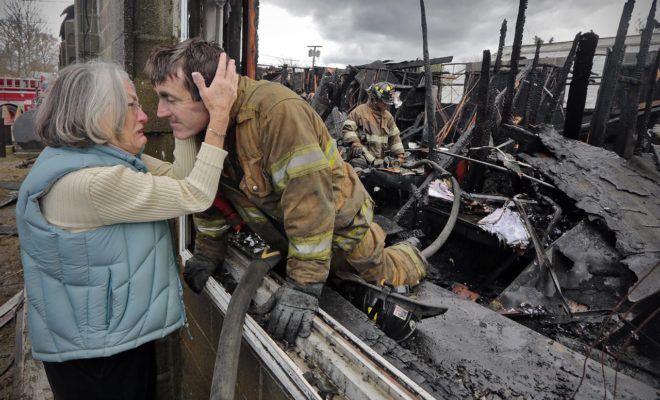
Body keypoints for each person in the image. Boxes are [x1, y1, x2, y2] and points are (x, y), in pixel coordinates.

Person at [145, 38, 428, 345]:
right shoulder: (204, 129)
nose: (160, 112)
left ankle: (412, 254)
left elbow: (310, 203)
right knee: (334, 278)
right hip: (291, 235)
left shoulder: (276, 113)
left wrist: (304, 285)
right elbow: (212, 195)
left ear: (211, 93)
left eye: (170, 98)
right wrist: (209, 252)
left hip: (341, 230)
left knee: (381, 273)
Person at [15, 56, 238, 399]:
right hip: (98, 360)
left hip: (104, 338)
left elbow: (180, 178)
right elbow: (194, 194)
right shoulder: (93, 182)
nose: (147, 115)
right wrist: (219, 117)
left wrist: (183, 125)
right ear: (97, 113)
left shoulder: (92, 155)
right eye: (132, 105)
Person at [342, 81, 406, 169]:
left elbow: (395, 137)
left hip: (380, 160)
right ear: (374, 99)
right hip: (363, 157)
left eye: (388, 102)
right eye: (384, 102)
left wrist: (400, 156)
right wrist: (355, 143)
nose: (387, 105)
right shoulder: (360, 111)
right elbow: (348, 128)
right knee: (357, 166)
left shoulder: (388, 116)